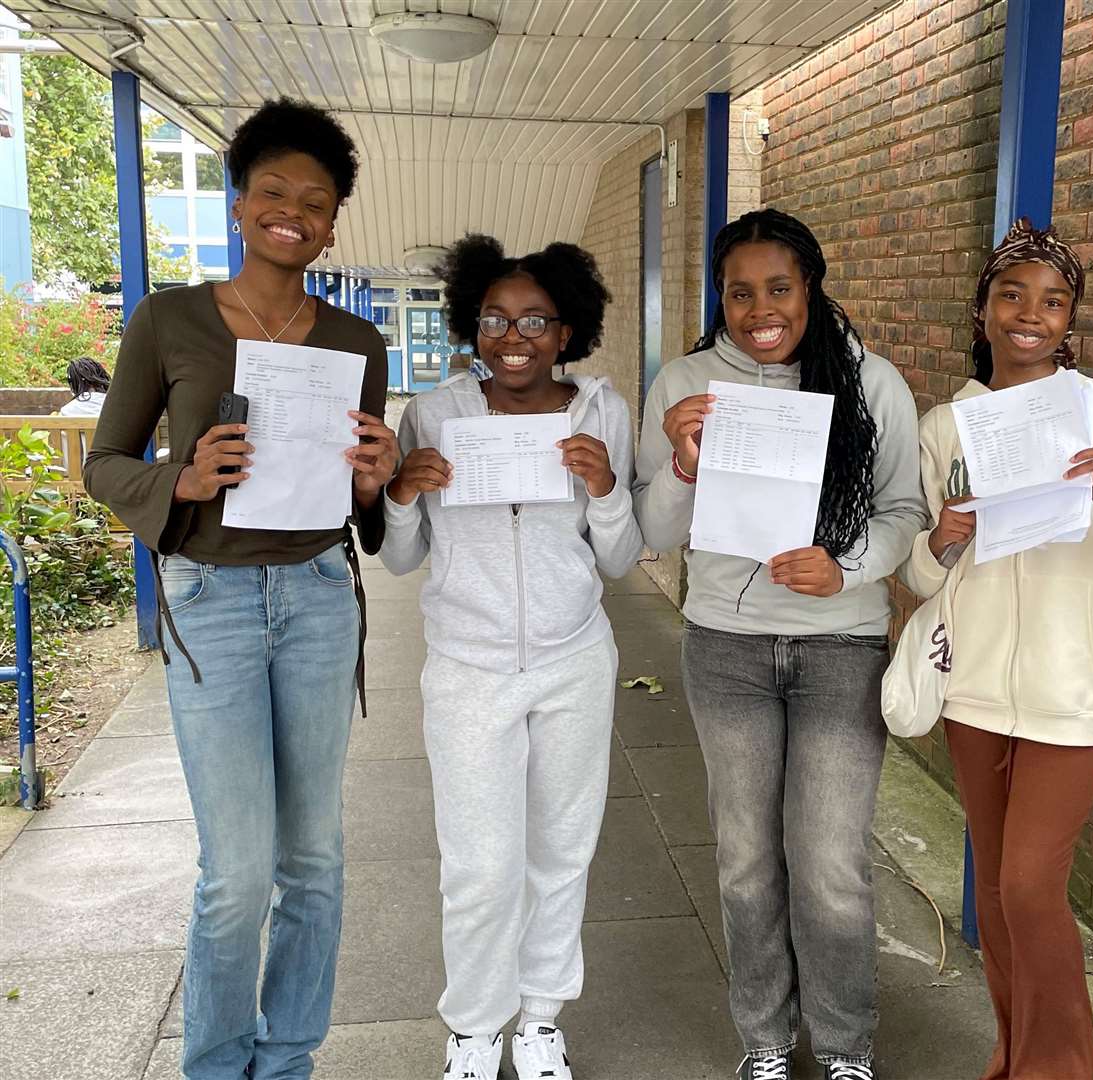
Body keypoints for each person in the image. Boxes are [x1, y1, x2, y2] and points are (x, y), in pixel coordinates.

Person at [83, 98, 396, 1080]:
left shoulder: (356, 341)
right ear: (238, 203)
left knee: (315, 863)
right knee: (237, 871)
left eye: (315, 200)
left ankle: (289, 1058)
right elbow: (105, 465)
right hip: (211, 599)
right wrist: (180, 474)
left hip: (316, 595)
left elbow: (359, 502)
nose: (291, 212)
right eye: (273, 191)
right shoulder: (168, 318)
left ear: (334, 222)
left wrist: (374, 475)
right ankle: (217, 1067)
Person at [634, 208, 928, 1080]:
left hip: (840, 648)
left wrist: (846, 568)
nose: (758, 307)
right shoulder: (686, 381)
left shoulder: (871, 384)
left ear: (810, 287)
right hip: (725, 648)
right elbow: (654, 527)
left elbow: (903, 513)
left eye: (778, 287)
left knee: (831, 862)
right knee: (745, 859)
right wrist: (683, 461)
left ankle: (843, 1046)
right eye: (738, 291)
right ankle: (764, 1039)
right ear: (719, 297)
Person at [900, 219, 1093, 1080]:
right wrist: (939, 543)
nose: (1030, 314)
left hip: (1072, 698)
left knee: (1029, 886)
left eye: (1053, 301)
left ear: (1071, 322)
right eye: (1011, 295)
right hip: (973, 695)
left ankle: (1058, 1071)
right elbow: (922, 579)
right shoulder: (946, 428)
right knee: (994, 897)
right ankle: (1010, 1054)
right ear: (982, 310)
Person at [379, 234, 641, 1080]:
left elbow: (619, 560)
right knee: (480, 863)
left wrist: (603, 491)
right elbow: (399, 558)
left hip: (572, 660)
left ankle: (538, 1020)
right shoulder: (434, 412)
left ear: (567, 330)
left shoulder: (601, 411)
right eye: (494, 318)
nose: (513, 335)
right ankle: (472, 1028)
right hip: (466, 664)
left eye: (534, 319)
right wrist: (402, 495)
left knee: (562, 849)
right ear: (470, 324)